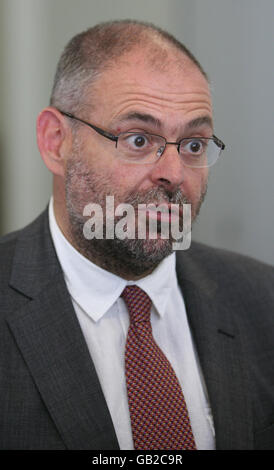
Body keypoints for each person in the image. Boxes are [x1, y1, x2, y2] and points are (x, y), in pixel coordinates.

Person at [0, 20, 273, 451]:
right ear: (56, 142)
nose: (173, 173)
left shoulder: (263, 301)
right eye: (139, 139)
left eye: (194, 145)